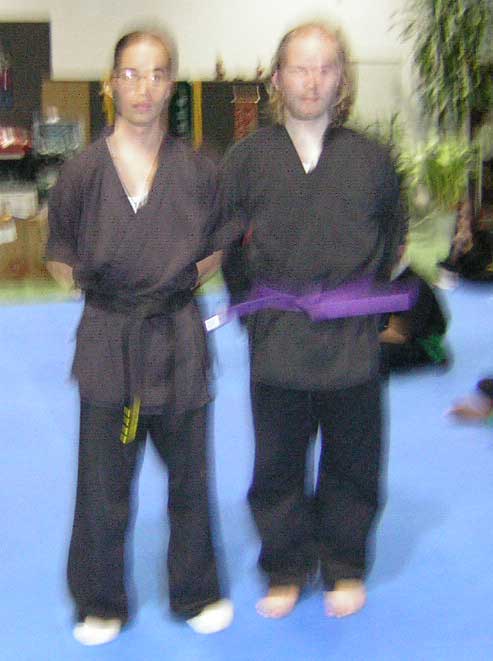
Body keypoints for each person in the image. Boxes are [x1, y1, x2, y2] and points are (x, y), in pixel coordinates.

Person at [46, 28, 232, 645]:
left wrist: (174, 281)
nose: (143, 87)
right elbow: (59, 253)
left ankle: (196, 590)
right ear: (111, 84)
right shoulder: (81, 172)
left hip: (178, 341)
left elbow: (216, 247)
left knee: (190, 479)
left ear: (171, 84)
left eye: (156, 74)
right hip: (110, 345)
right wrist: (104, 289)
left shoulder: (199, 169)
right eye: (131, 73)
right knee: (103, 483)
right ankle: (100, 600)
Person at [218, 21, 406, 619]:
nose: (312, 80)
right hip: (278, 335)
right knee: (277, 461)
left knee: (354, 458)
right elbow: (229, 246)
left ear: (342, 79)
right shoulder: (247, 159)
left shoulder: (372, 159)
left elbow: (393, 237)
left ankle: (344, 564)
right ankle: (285, 566)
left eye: (325, 68)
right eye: (300, 67)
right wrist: (256, 317)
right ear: (277, 78)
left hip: (352, 337)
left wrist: (361, 306)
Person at [379, 263, 450, 376]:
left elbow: (399, 334)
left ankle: (428, 357)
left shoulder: (413, 286)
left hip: (421, 341)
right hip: (391, 328)